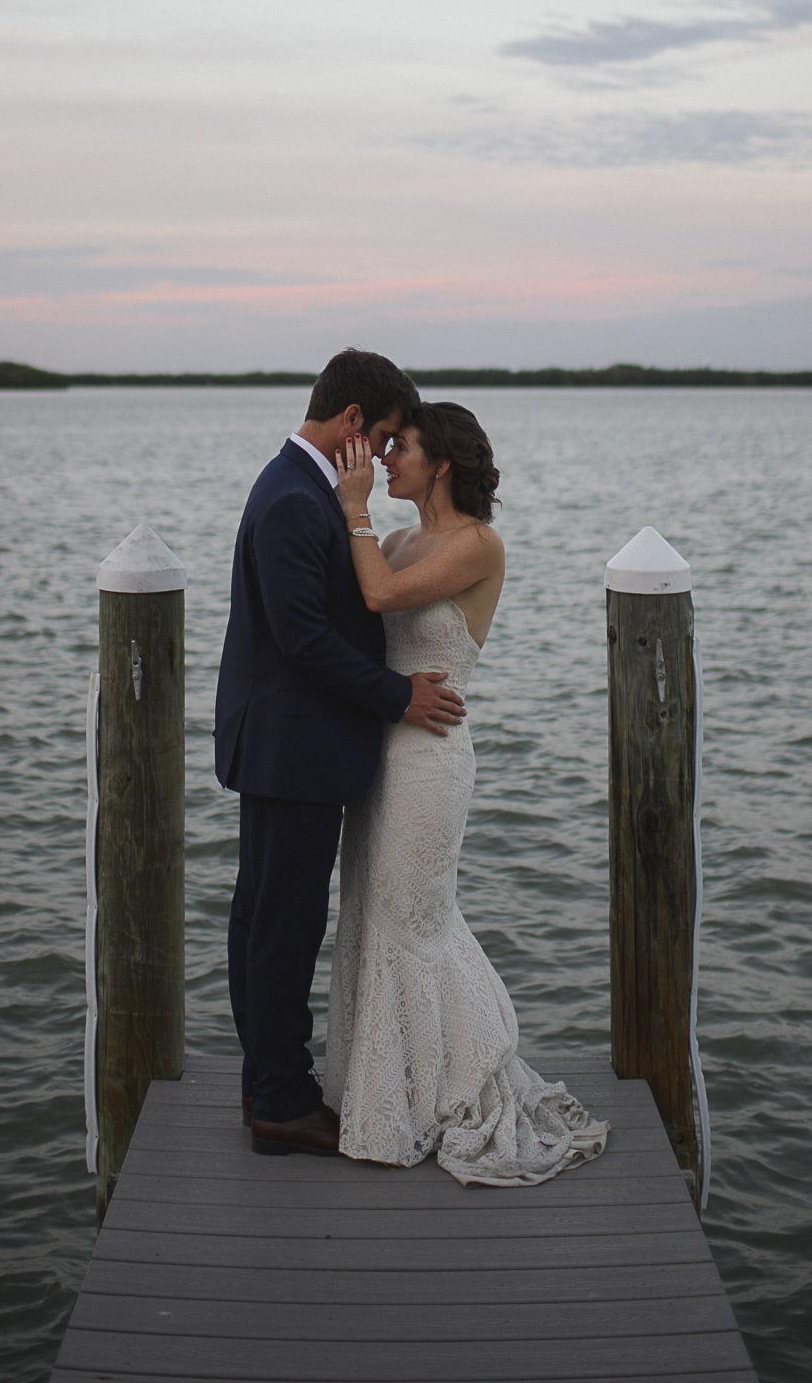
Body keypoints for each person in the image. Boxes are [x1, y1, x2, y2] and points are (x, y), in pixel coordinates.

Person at [326, 400, 608, 1186]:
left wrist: (350, 510)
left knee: (416, 917)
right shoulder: (396, 539)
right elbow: (358, 614)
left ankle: (460, 1087)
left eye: (401, 448)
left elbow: (381, 599)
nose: (385, 460)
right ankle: (387, 1095)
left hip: (431, 757)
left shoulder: (478, 544)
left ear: (440, 460)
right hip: (377, 751)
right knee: (370, 911)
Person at [215, 349, 467, 1157]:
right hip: (294, 745)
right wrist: (400, 696)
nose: (389, 452)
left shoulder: (299, 488)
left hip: (290, 744)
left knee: (265, 916)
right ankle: (282, 1100)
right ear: (353, 424)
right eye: (386, 434)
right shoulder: (294, 498)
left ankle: (268, 1079)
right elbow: (304, 640)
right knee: (280, 924)